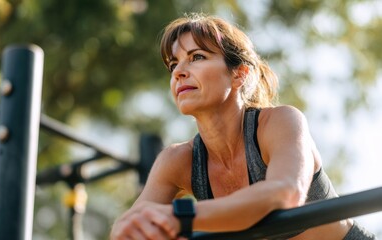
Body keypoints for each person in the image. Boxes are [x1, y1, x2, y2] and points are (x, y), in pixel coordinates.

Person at [110, 13, 376, 240]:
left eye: (197, 57)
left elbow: (286, 192)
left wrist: (180, 217)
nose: (179, 71)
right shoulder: (178, 159)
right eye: (173, 64)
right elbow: (127, 229)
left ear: (239, 74)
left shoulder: (279, 122)